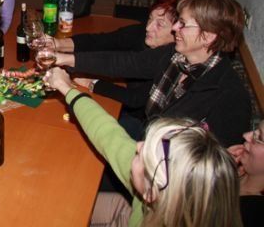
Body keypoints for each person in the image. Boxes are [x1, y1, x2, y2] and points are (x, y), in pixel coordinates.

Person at [45, 67, 243, 227]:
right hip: (131, 211)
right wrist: (67, 89)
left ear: (150, 194)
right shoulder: (165, 186)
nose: (138, 146)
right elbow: (109, 134)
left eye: (145, 155)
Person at [56, 0, 252, 146]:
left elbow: (214, 169)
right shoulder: (173, 55)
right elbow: (123, 63)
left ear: (208, 36)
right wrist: (63, 58)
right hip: (145, 139)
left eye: (183, 24)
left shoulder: (230, 96)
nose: (175, 28)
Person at [57, 0, 181, 139]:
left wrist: (92, 83)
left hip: (142, 125)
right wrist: (58, 44)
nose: (149, 27)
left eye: (160, 24)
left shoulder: (170, 58)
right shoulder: (144, 33)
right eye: (150, 18)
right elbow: (103, 41)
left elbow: (135, 99)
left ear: (178, 32)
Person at [228, 119, 264, 227]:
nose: (246, 135)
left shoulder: (254, 216)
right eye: (255, 129)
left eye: (259, 138)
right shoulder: (233, 171)